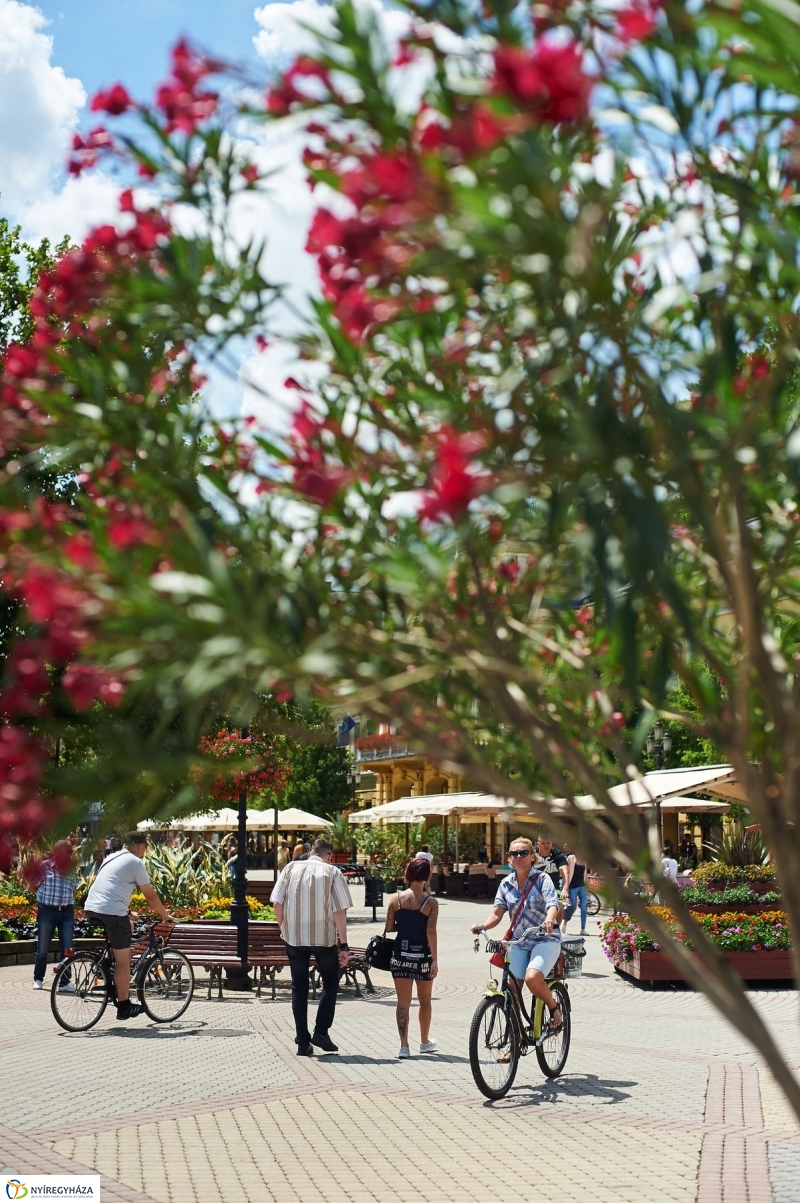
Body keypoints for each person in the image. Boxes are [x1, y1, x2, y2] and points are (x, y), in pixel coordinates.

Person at [471, 837, 563, 1045]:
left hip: (545, 938)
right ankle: (513, 1044)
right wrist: (483, 926)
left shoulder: (542, 879)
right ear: (509, 859)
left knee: (532, 978)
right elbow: (497, 913)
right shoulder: (506, 884)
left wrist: (550, 919)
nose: (518, 856)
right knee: (510, 991)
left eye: (523, 853)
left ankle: (553, 1007)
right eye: (514, 853)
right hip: (519, 941)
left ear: (532, 856)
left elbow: (552, 904)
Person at [272, 837, 353, 1056]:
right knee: (330, 981)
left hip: (295, 939)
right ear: (329, 856)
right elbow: (339, 911)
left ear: (310, 853)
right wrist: (344, 945)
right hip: (323, 939)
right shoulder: (332, 872)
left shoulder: (290, 868)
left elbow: (277, 904)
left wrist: (284, 929)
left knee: (299, 987)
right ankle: (321, 1032)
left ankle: (302, 1040)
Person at [84, 832, 174, 1020]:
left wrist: (127, 912)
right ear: (140, 846)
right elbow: (150, 894)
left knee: (126, 929)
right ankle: (124, 1006)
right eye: (145, 849)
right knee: (123, 960)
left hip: (92, 907)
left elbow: (109, 889)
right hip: (112, 912)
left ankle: (106, 968)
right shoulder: (135, 862)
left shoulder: (111, 857)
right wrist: (164, 916)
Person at [385, 857, 439, 1058]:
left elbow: (389, 927)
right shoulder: (430, 902)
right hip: (422, 957)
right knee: (425, 1001)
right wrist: (434, 959)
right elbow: (431, 932)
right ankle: (424, 1042)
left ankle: (404, 1046)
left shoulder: (395, 899)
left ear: (409, 874)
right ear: (427, 876)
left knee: (403, 1002)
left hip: (400, 955)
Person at [33, 841, 77, 991]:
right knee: (43, 947)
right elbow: (33, 886)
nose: (71, 854)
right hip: (47, 911)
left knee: (67, 948)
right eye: (68, 851)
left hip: (66, 912)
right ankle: (38, 978)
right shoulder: (44, 867)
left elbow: (73, 889)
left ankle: (64, 982)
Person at [562, 852, 588, 935]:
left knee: (584, 907)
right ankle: (565, 921)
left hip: (582, 887)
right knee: (572, 908)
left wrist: (587, 888)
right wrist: (565, 886)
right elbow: (565, 871)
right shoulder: (571, 858)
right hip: (572, 886)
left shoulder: (584, 860)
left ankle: (583, 929)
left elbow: (585, 875)